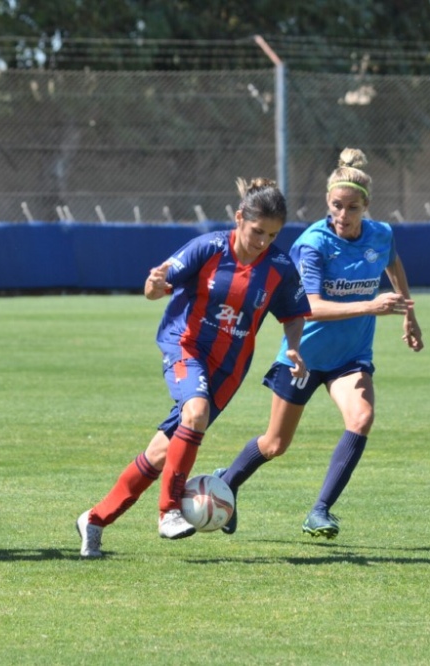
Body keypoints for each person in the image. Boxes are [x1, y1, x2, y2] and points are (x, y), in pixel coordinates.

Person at [75, 178, 311, 559]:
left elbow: (293, 315)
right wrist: (153, 285)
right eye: (256, 231)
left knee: (159, 454)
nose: (263, 241)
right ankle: (169, 511)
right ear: (239, 219)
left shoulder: (280, 268)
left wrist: (295, 347)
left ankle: (95, 520)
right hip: (185, 347)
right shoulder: (209, 247)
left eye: (272, 234)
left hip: (228, 371)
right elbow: (157, 287)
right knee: (196, 412)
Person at [214, 148, 424, 539]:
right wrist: (371, 306)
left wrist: (409, 313)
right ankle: (226, 482)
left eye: (352, 208)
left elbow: (393, 264)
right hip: (303, 357)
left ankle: (320, 511)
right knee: (275, 444)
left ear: (367, 207)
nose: (342, 216)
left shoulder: (381, 234)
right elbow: (308, 307)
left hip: (350, 357)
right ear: (328, 203)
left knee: (361, 419)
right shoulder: (314, 243)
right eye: (336, 206)